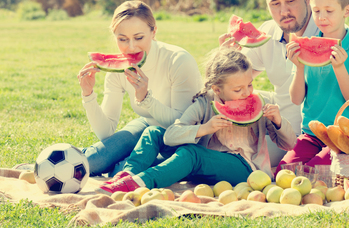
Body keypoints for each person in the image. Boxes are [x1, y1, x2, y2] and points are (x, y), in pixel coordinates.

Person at [219, 0, 349, 166]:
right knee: (232, 153)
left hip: (325, 132)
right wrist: (227, 56)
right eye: (275, 4)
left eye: (290, 1)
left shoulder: (338, 36)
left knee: (296, 169)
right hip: (287, 130)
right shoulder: (267, 32)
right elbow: (237, 81)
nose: (284, 11)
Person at [94, 49, 296, 195]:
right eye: (238, 89)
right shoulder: (205, 103)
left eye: (250, 85)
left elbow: (288, 144)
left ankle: (139, 183)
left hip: (246, 168)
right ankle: (127, 175)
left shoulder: (260, 104)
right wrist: (205, 128)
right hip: (206, 166)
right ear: (217, 89)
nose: (247, 93)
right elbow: (170, 135)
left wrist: (278, 122)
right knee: (153, 132)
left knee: (191, 154)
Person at [78, 0, 202, 176]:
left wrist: (146, 99)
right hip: (145, 126)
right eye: (122, 39)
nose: (131, 47)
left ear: (153, 32)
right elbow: (106, 133)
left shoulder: (178, 60)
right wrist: (88, 94)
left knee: (121, 173)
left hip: (181, 139)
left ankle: (127, 163)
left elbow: (182, 125)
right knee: (91, 162)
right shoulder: (117, 69)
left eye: (138, 38)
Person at [276, 0, 349, 174]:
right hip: (310, 134)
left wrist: (339, 68)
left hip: (342, 136)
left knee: (313, 174)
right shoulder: (307, 43)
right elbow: (296, 98)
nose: (322, 17)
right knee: (281, 174)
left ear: (347, 11)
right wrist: (299, 66)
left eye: (329, 10)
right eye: (316, 10)